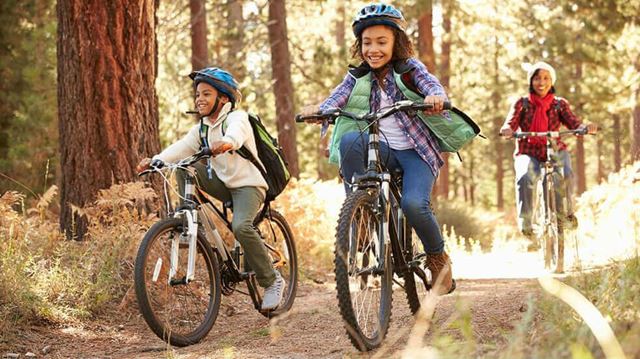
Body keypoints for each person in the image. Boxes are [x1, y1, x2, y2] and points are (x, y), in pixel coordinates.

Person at [300, 3, 455, 295]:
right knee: (348, 142)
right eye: (367, 42)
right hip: (379, 149)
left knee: (413, 205)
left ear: (396, 43)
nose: (374, 49)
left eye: (382, 42)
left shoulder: (410, 69)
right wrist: (322, 111)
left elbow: (430, 84)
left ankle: (437, 258)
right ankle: (361, 213)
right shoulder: (357, 76)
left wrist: (434, 97)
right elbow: (337, 98)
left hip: (415, 153)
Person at [136, 67, 285, 310]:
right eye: (197, 95)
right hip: (224, 184)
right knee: (185, 166)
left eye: (206, 94)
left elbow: (236, 135)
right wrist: (155, 160)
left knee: (241, 226)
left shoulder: (238, 118)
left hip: (249, 185)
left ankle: (272, 281)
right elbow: (181, 148)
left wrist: (226, 143)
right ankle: (189, 218)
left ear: (223, 98)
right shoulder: (202, 129)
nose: (199, 99)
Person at [500, 61, 597, 244]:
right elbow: (510, 123)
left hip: (555, 149)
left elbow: (574, 123)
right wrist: (507, 129)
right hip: (528, 150)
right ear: (531, 81)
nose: (541, 82)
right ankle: (527, 225)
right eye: (537, 78)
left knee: (566, 173)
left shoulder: (559, 104)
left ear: (552, 81)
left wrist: (585, 128)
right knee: (525, 178)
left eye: (546, 78)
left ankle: (566, 214)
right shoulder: (522, 103)